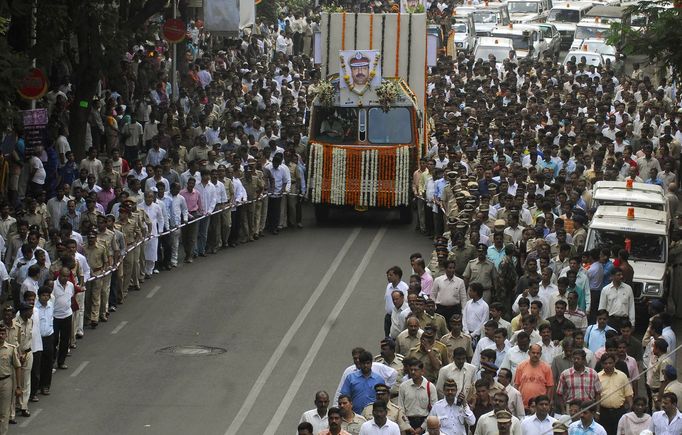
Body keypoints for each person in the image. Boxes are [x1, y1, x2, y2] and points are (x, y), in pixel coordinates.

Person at [597, 352, 633, 434]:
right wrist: (597, 412)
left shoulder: (622, 376)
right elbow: (596, 396)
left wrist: (631, 410)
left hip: (619, 412)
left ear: (614, 363)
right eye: (605, 363)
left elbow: (628, 394)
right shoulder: (597, 377)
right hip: (603, 413)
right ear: (602, 364)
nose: (608, 365)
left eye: (610, 363)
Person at [556, 349, 601, 414]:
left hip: (588, 408)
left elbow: (598, 394)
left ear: (583, 360)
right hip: (571, 409)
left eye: (578, 359)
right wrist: (563, 411)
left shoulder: (593, 373)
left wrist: (597, 412)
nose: (576, 361)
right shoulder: (565, 374)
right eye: (574, 359)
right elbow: (559, 393)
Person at [398, 358, 438, 430]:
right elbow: (401, 408)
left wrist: (422, 427)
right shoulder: (403, 386)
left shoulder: (430, 387)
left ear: (422, 371)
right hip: (408, 422)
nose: (413, 372)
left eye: (415, 370)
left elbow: (434, 409)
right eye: (411, 370)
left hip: (425, 423)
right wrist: (408, 426)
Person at [514, 343, 554, 407]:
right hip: (523, 404)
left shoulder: (547, 368)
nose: (535, 355)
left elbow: (550, 386)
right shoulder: (521, 366)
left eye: (538, 353)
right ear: (529, 353)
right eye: (533, 352)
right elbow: (516, 385)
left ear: (540, 354)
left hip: (540, 405)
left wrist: (547, 402)